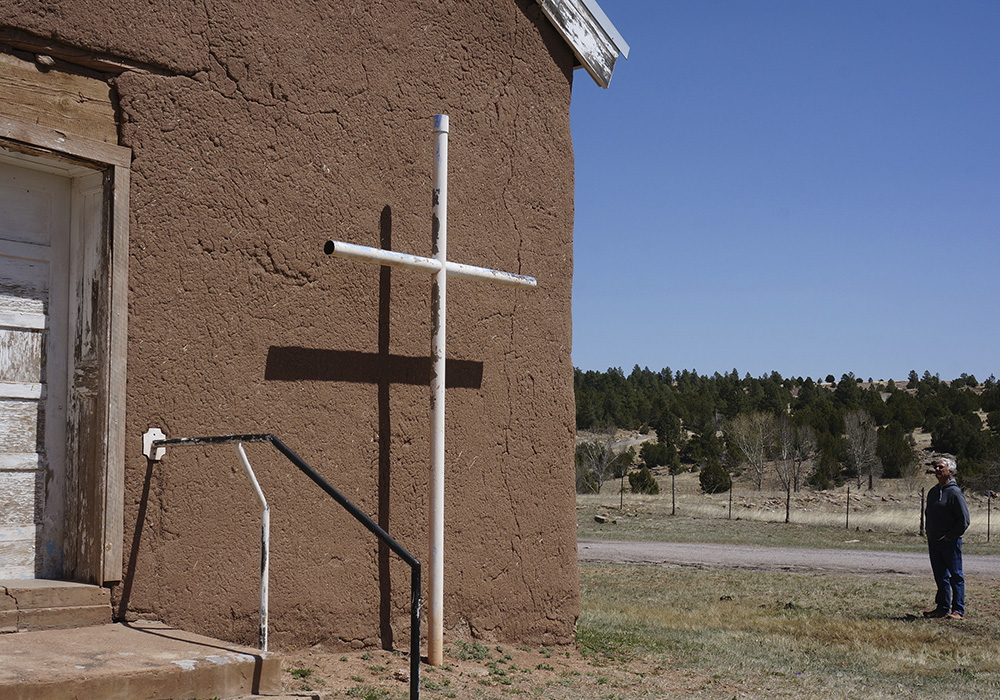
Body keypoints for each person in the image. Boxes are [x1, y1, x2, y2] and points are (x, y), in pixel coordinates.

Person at [923, 457, 970, 620]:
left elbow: (964, 520)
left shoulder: (954, 492)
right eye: (936, 467)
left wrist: (950, 536)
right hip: (934, 541)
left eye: (940, 467)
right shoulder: (933, 492)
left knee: (955, 575)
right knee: (940, 575)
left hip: (950, 542)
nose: (937, 469)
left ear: (950, 471)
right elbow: (928, 514)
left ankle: (958, 610)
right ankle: (942, 608)